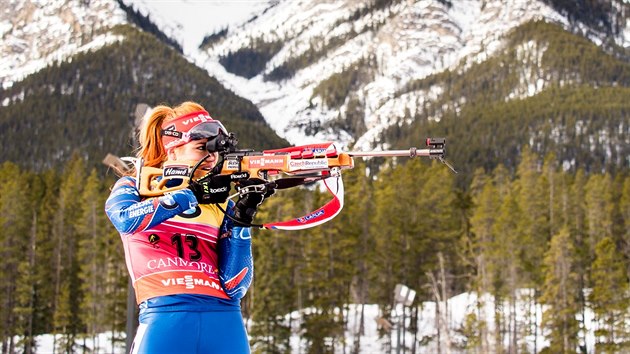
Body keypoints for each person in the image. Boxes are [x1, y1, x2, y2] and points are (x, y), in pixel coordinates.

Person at [105, 101, 273, 354]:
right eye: (201, 148)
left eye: (215, 150)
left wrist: (242, 214)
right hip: (164, 316)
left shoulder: (220, 200)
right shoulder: (135, 187)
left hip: (225, 320)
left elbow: (235, 285)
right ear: (172, 151)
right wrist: (191, 194)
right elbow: (125, 219)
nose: (212, 156)